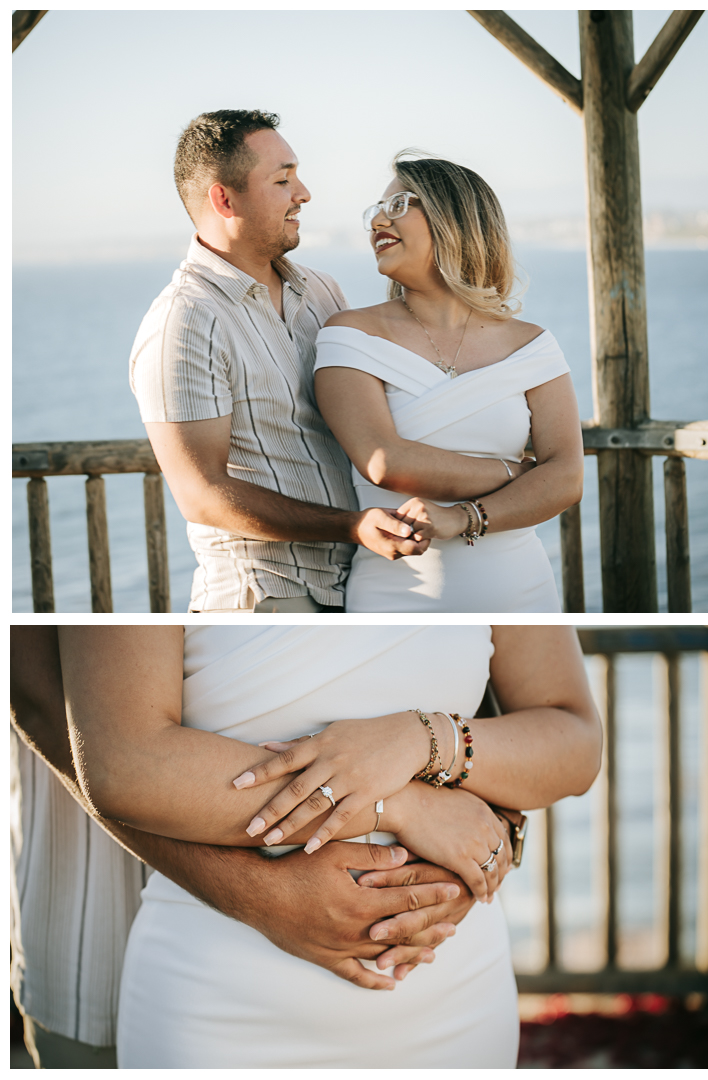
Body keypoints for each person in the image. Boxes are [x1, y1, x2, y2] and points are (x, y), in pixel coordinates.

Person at [58, 624, 602, 1069]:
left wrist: (423, 739)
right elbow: (125, 764)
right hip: (224, 1007)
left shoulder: (475, 545)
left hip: (455, 996)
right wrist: (409, 807)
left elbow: (573, 741)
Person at [10, 627, 471, 1068]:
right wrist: (260, 892)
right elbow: (47, 706)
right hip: (102, 929)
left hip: (434, 994)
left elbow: (484, 709)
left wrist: (489, 848)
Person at [130, 110, 430, 614]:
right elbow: (201, 494)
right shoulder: (183, 322)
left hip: (357, 586)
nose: (304, 193)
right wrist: (350, 526)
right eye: (283, 179)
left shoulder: (320, 291)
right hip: (266, 598)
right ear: (224, 199)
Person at [314, 153, 585, 612]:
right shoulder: (349, 334)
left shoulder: (533, 345)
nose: (378, 220)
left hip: (523, 589)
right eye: (376, 210)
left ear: (454, 216)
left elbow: (567, 478)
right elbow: (386, 462)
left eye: (398, 204)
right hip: (401, 591)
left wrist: (464, 518)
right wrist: (518, 475)